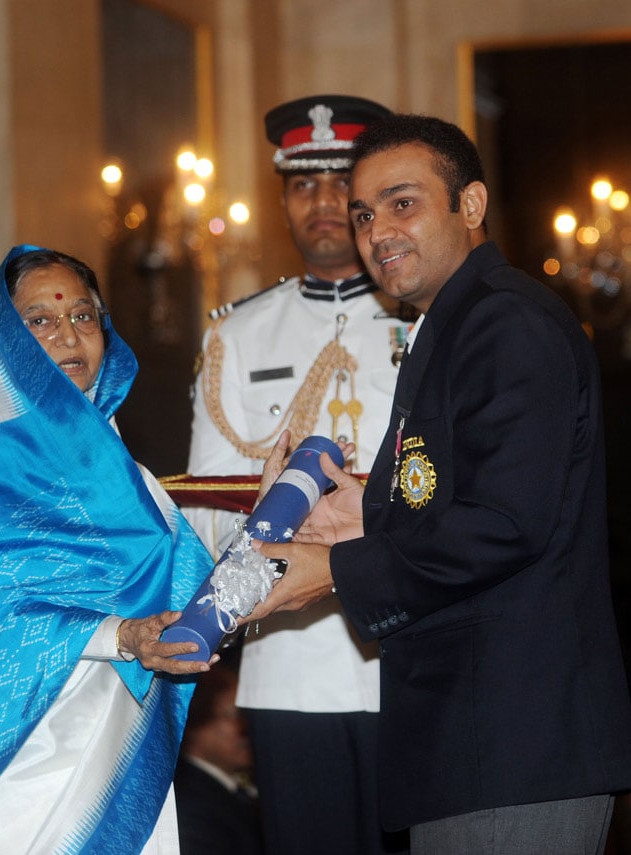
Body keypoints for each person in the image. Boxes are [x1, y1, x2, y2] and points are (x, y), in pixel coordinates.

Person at [246, 113, 631, 853]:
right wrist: (369, 518)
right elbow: (471, 500)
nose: (377, 230)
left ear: (472, 206)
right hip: (479, 746)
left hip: (514, 744)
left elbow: (506, 523)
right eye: (365, 213)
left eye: (403, 202)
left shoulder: (504, 324)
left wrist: (335, 568)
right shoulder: (457, 324)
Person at [0, 246, 217, 854]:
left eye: (84, 317)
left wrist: (276, 516)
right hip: (14, 760)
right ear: (3, 342)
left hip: (114, 729)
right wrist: (123, 637)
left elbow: (184, 579)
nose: (68, 335)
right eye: (40, 320)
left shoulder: (122, 470)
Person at [185, 94, 412, 854]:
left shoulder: (430, 321)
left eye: (337, 183)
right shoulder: (238, 335)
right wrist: (277, 508)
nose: (320, 203)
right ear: (281, 197)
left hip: (412, 655)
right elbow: (208, 509)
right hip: (289, 666)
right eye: (300, 184)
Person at [174, 660, 263, 855]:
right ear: (195, 723)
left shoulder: (229, 789)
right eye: (236, 714)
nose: (246, 726)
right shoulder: (191, 808)